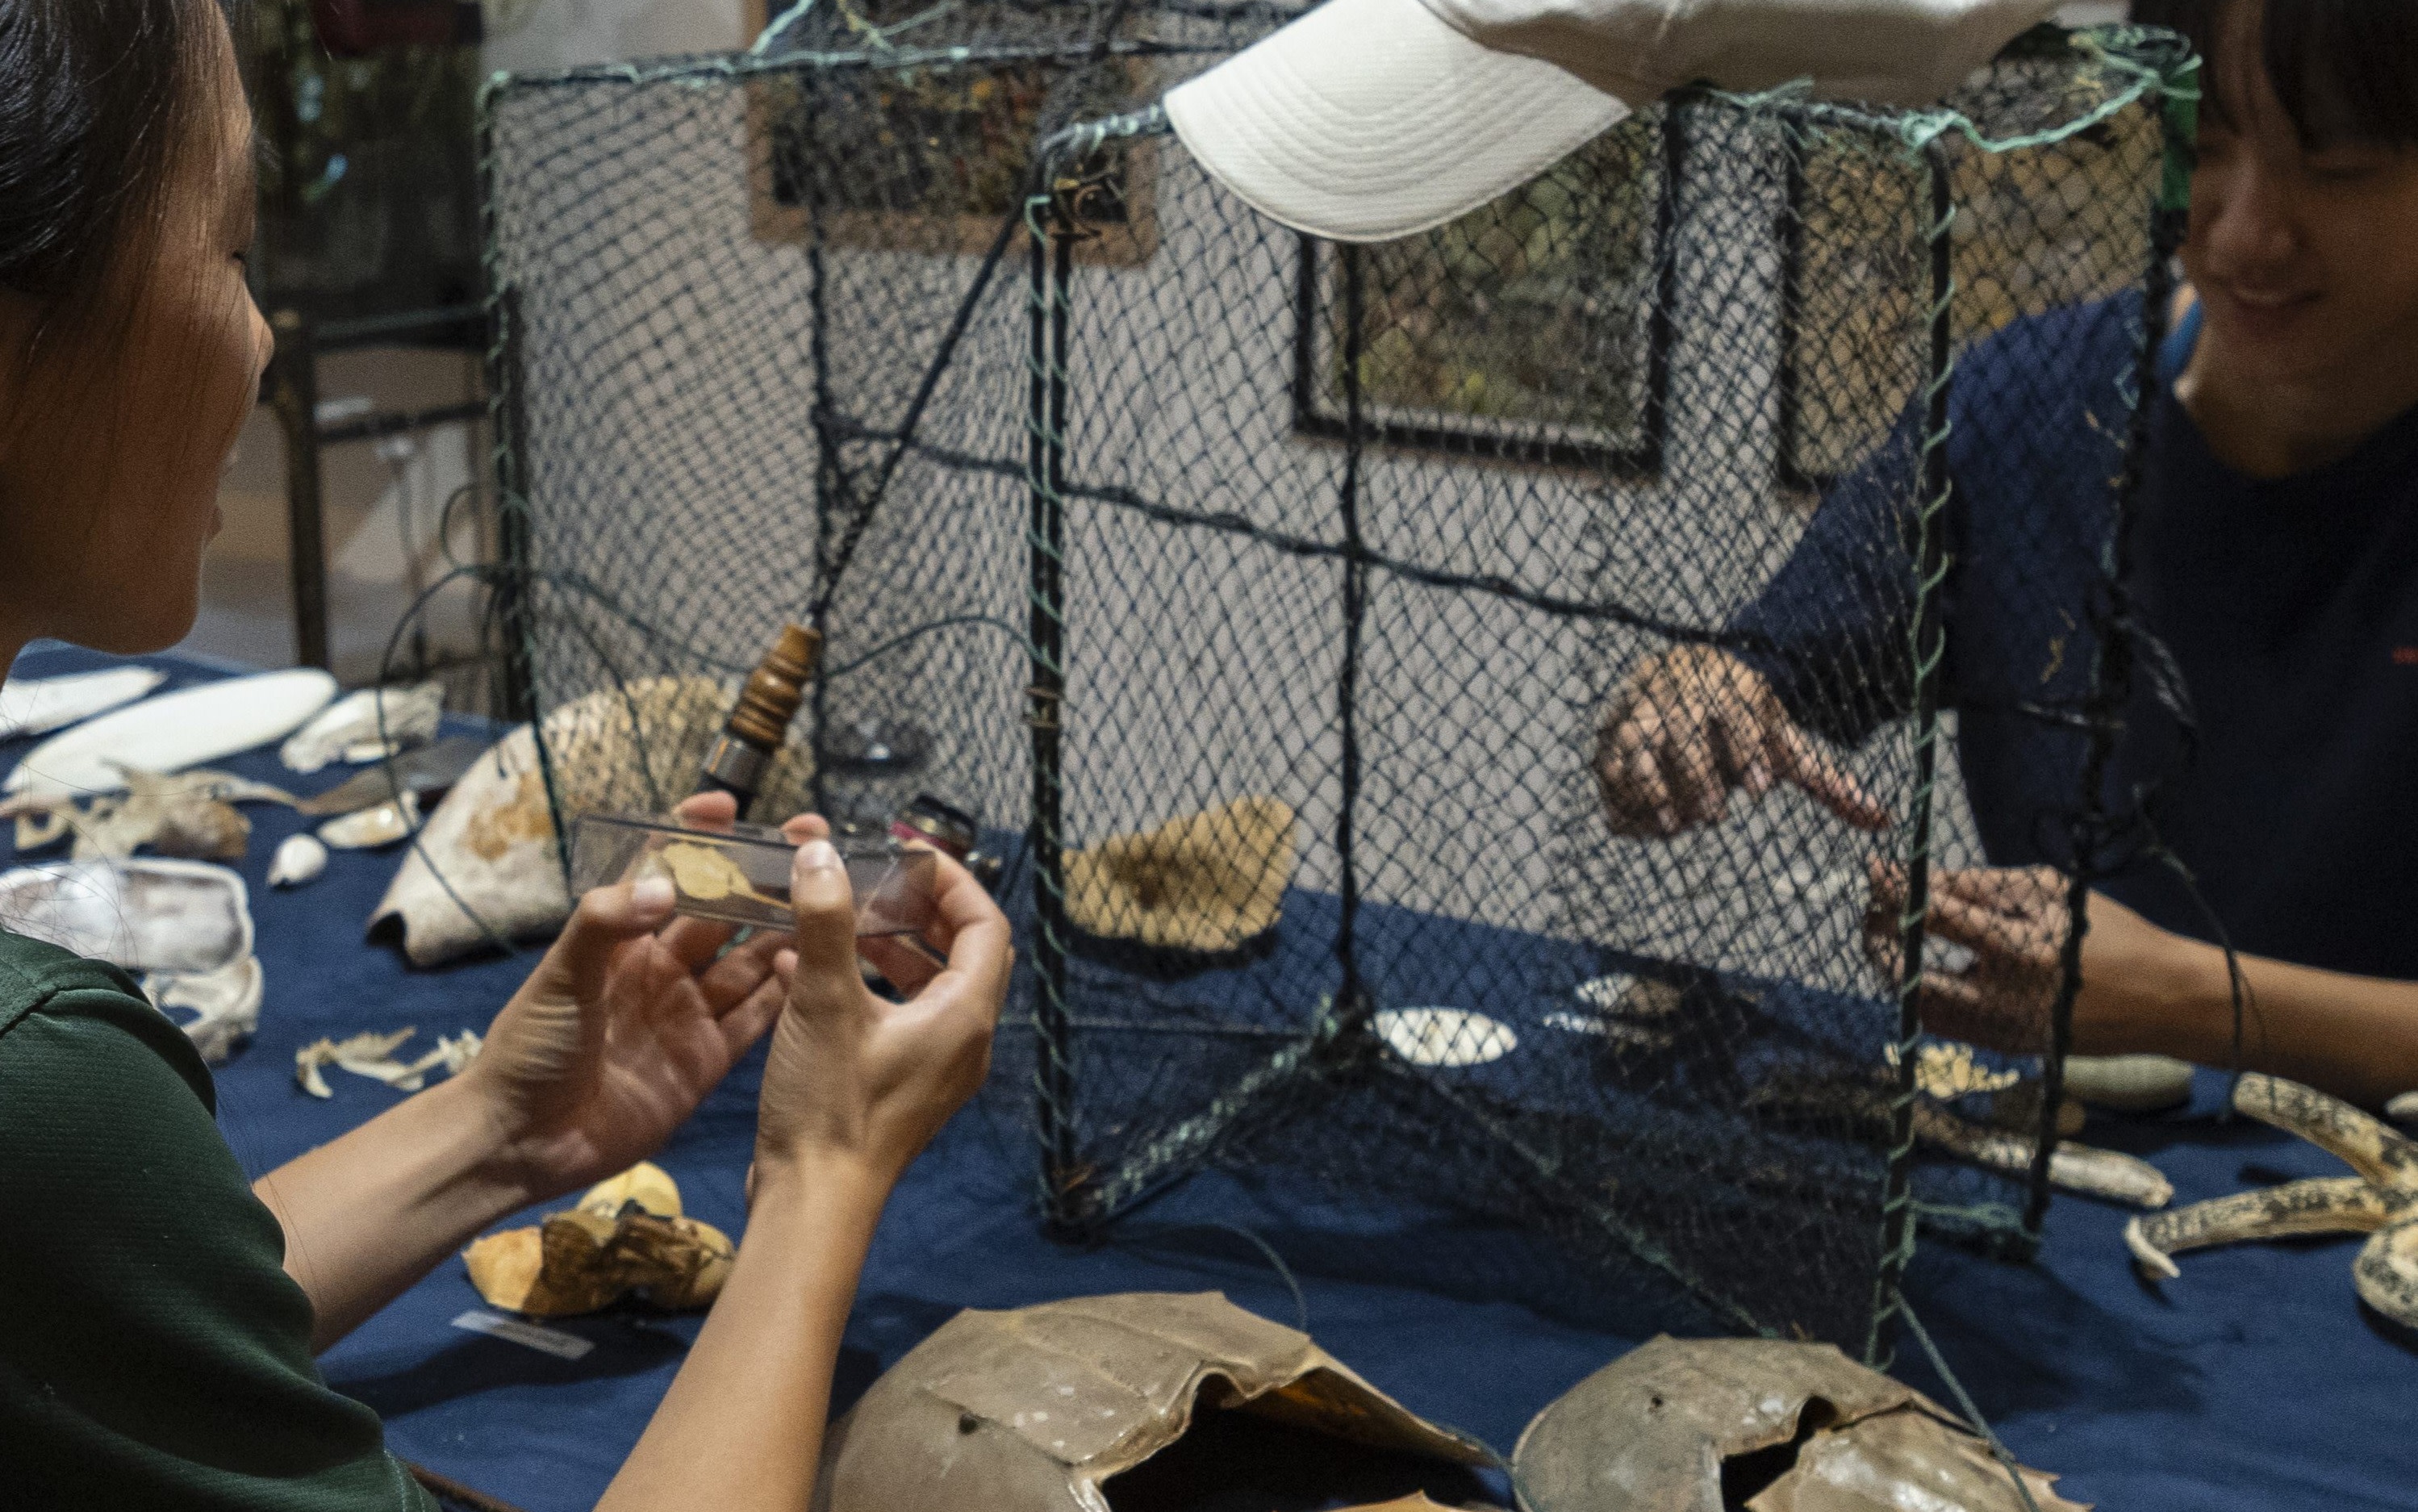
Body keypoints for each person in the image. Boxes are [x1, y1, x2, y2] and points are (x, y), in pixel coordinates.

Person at [0, 2, 1013, 1506]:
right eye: (226, 247)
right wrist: (824, 1172)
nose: (264, 335)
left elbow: (108, 1314)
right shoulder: (37, 1082)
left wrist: (499, 1128)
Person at [1593, 0, 2418, 1108]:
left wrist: (2193, 999)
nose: (2240, 237)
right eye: (2205, 146)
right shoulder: (2025, 408)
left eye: (2337, 169)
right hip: (2061, 1158)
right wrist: (1692, 701)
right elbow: (1773, 664)